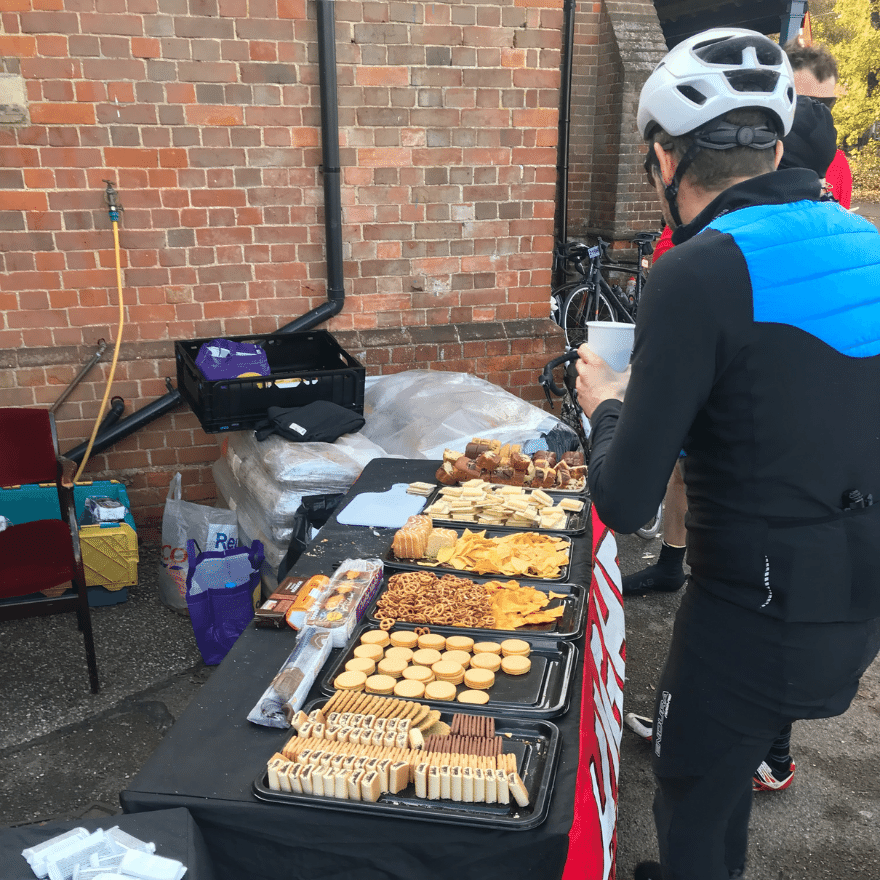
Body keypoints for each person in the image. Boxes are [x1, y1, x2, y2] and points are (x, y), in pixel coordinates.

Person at [576, 27, 880, 880]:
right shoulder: (867, 241)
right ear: (778, 144)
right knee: (737, 753)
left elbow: (626, 500)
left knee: (692, 782)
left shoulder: (695, 271)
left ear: (667, 161)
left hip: (754, 607)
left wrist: (606, 405)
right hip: (858, 590)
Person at [785, 40, 852, 208]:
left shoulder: (837, 164)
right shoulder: (753, 160)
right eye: (804, 103)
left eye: (827, 103)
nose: (817, 113)